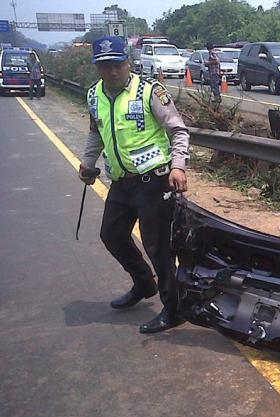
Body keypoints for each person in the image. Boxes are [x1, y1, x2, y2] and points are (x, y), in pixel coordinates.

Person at [78, 36, 191, 334]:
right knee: (111, 235)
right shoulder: (94, 95)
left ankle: (174, 310)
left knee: (158, 247)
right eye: (105, 66)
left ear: (128, 62)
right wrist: (87, 164)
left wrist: (178, 166)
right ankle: (143, 283)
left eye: (117, 64)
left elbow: (178, 131)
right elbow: (96, 133)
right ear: (97, 68)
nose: (112, 71)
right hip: (121, 181)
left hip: (154, 180)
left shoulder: (150, 91)